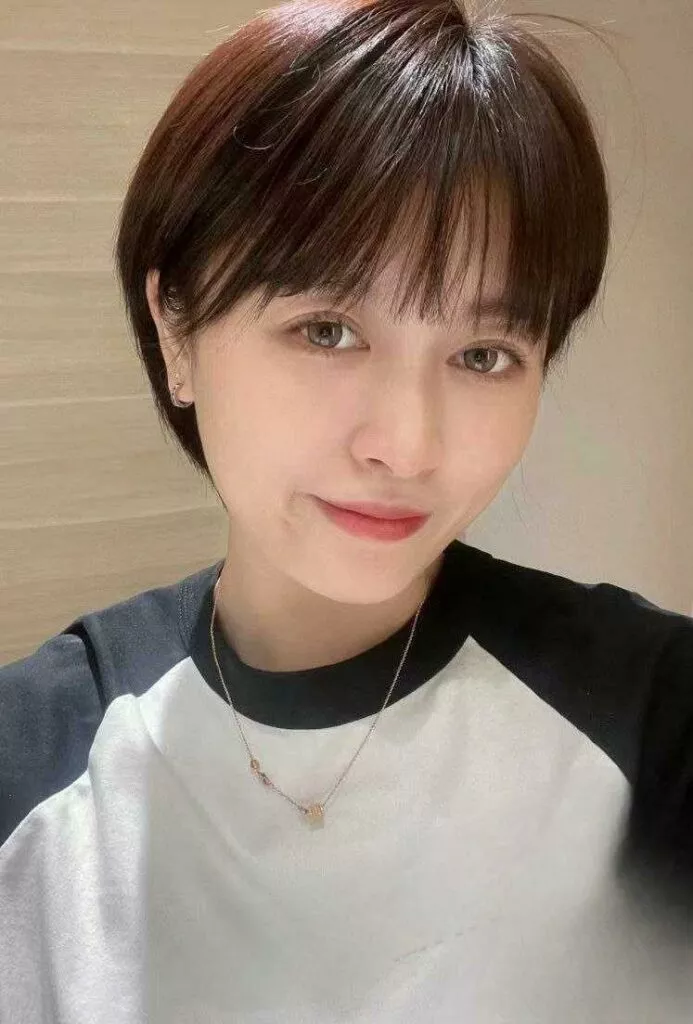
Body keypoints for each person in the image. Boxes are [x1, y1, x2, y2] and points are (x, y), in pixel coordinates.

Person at [1, 0, 692, 1020]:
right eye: (327, 330)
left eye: (483, 354)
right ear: (176, 330)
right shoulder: (34, 763)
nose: (406, 446)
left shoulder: (651, 716)